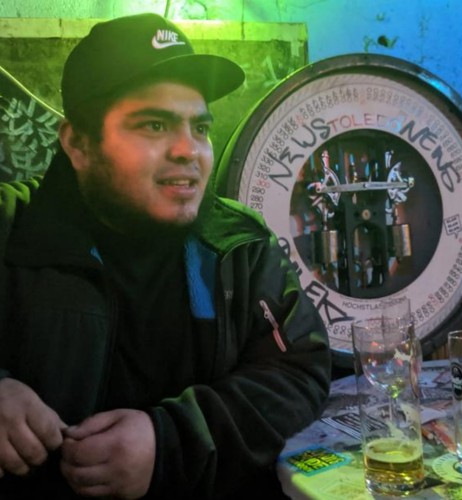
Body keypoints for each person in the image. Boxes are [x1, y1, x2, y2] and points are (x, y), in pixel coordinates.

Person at [0, 13, 332, 500]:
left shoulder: (238, 247)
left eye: (200, 127)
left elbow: (299, 370)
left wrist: (171, 442)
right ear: (78, 143)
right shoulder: (10, 230)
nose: (188, 150)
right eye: (154, 125)